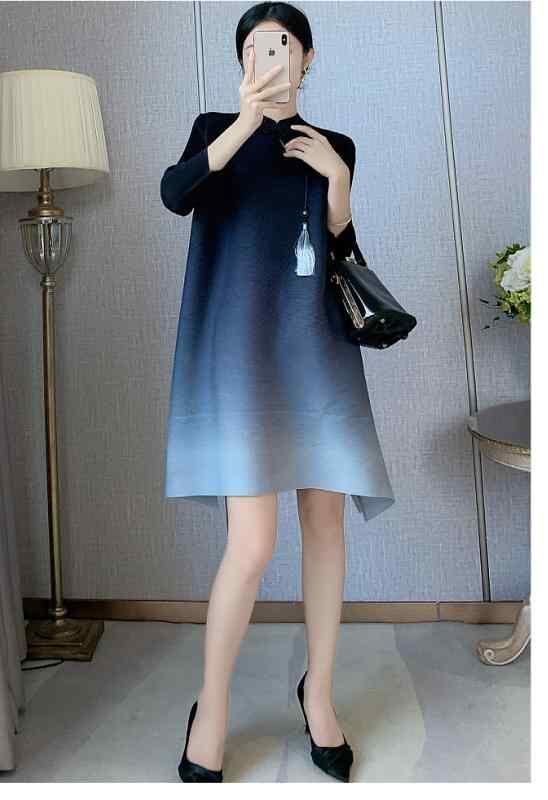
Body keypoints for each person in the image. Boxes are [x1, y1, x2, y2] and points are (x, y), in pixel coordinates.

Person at [160, 2, 395, 783]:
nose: (272, 56)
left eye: (284, 44)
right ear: (242, 61)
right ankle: (213, 707)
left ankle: (318, 693)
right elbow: (176, 194)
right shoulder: (212, 130)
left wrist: (337, 181)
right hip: (242, 355)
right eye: (257, 46)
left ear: (309, 57)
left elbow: (344, 251)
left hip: (316, 348)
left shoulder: (337, 145)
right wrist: (242, 123)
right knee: (253, 544)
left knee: (325, 525)